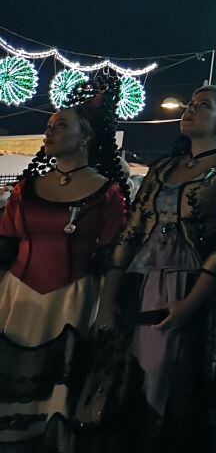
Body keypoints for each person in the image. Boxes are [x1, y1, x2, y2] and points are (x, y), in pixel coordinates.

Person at [90, 85, 216, 451]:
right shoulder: (164, 167)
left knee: (179, 387)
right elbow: (131, 230)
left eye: (203, 106)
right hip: (142, 282)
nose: (191, 110)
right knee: (130, 381)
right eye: (191, 103)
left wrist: (190, 304)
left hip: (193, 287)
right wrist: (108, 298)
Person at [0, 72, 129, 450]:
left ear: (86, 136)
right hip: (14, 300)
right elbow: (5, 246)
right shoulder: (26, 189)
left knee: (56, 396)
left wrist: (106, 308)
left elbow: (112, 255)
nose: (50, 132)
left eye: (61, 126)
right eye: (48, 126)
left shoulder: (107, 194)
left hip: (71, 301)